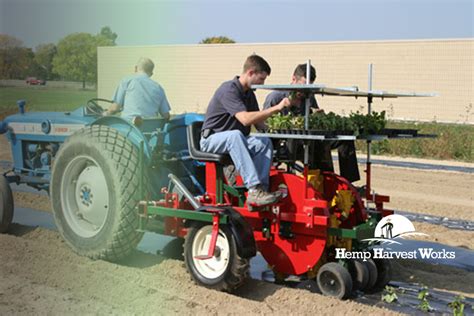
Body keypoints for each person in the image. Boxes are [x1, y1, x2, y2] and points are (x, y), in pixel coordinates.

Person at [200, 55, 294, 208]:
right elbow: (245, 119)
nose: (262, 83)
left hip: (235, 139)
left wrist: (280, 131)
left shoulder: (249, 94)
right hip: (211, 140)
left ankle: (261, 192)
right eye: (261, 79)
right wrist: (276, 107)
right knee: (235, 136)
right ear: (250, 73)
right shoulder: (228, 89)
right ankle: (253, 190)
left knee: (262, 141)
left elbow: (259, 122)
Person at [263, 63, 360, 182]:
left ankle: (348, 184)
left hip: (308, 139)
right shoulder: (275, 97)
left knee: (345, 138)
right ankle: (326, 182)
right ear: (294, 79)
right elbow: (264, 126)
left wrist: (317, 115)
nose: (304, 91)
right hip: (287, 144)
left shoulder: (309, 96)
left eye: (309, 86)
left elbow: (313, 116)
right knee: (319, 145)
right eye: (303, 86)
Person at [104, 57, 171, 121]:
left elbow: (115, 108)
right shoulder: (158, 88)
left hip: (129, 128)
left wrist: (105, 113)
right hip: (151, 129)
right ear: (151, 73)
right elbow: (166, 115)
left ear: (135, 68)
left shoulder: (127, 81)